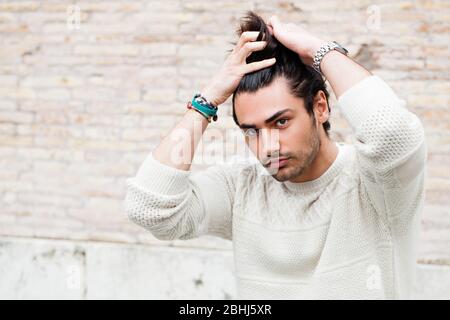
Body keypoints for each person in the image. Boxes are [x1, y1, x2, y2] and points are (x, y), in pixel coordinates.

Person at [124, 11, 427, 299]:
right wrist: (207, 100)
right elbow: (150, 208)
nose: (267, 147)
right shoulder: (241, 186)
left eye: (280, 122)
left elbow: (391, 132)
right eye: (251, 131)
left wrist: (321, 51)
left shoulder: (376, 186)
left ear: (320, 107)